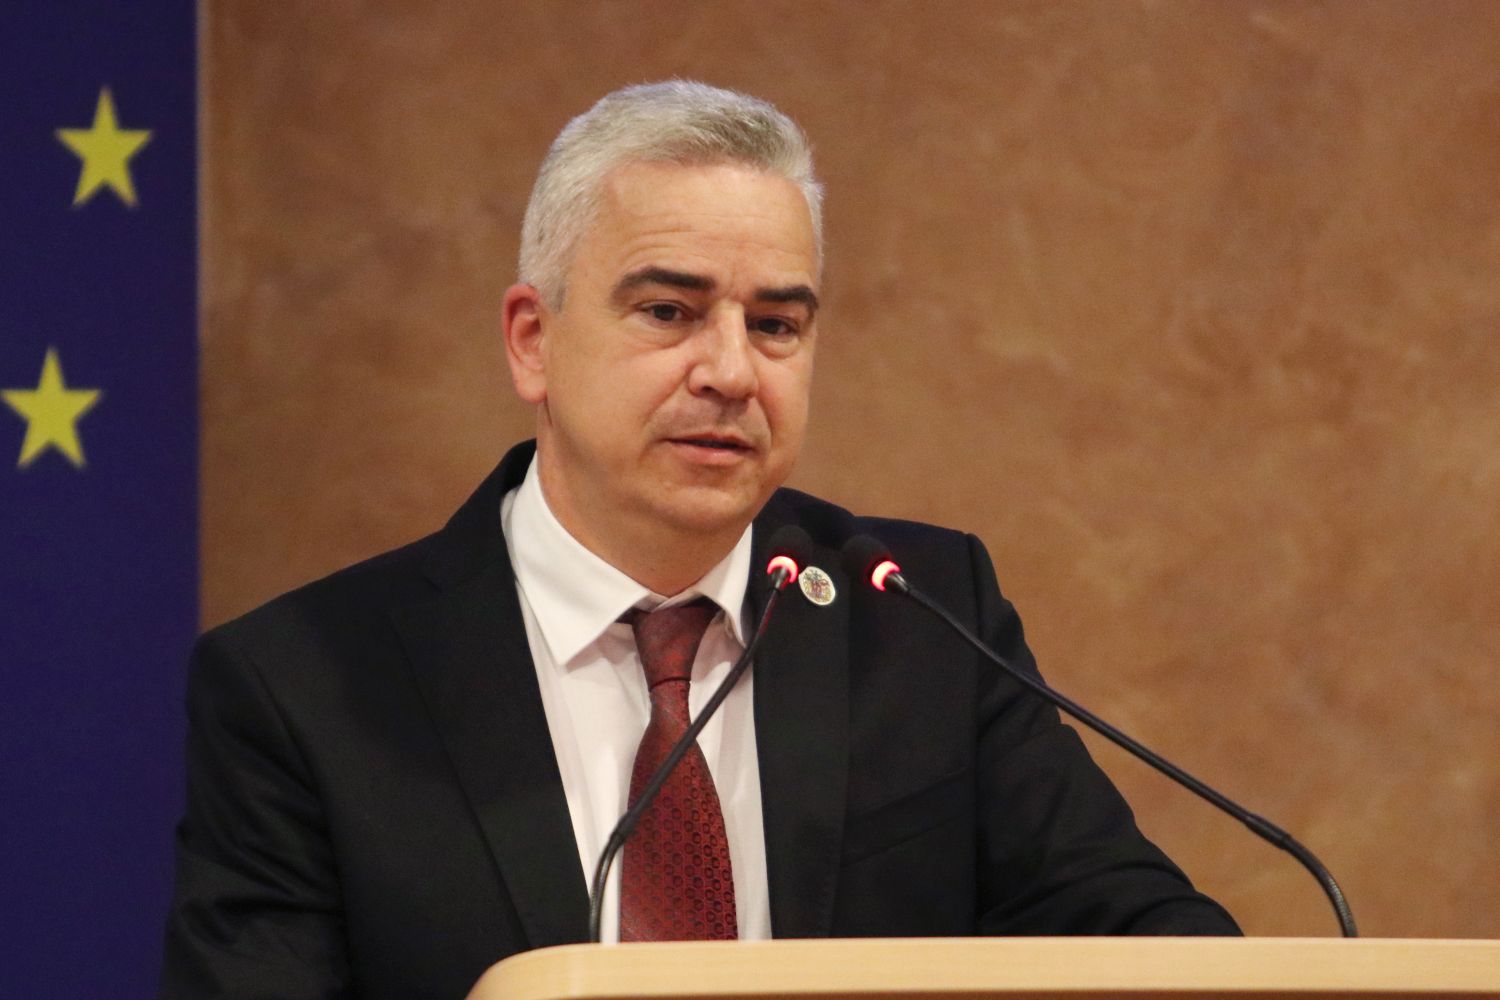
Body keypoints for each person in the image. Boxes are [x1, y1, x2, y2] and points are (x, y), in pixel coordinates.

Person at [160, 81, 1238, 1000]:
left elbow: (1148, 941)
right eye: (669, 312)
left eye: (775, 325)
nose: (731, 372)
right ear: (533, 342)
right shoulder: (303, 689)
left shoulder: (919, 617)